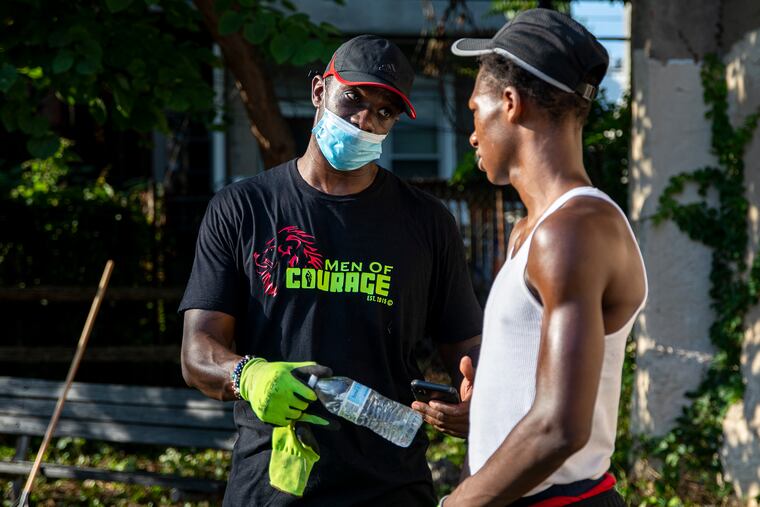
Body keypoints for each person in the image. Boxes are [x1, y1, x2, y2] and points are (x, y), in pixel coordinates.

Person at [179, 34, 482, 506]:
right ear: (320, 91)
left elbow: (468, 349)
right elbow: (197, 351)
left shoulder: (426, 222)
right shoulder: (244, 209)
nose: (364, 121)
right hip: (272, 486)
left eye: (384, 112)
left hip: (389, 489)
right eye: (353, 99)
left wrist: (476, 400)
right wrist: (247, 376)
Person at [442, 9, 648, 506]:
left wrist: (457, 503)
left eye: (475, 109)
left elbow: (559, 425)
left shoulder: (573, 231)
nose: (472, 134)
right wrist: (487, 403)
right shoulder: (531, 232)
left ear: (510, 103)